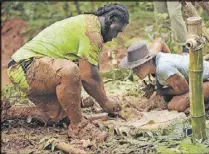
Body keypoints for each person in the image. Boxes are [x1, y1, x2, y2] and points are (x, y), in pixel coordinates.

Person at [4, 4, 129, 141]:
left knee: (59, 116)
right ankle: (79, 127)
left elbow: (93, 72)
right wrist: (105, 102)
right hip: (24, 66)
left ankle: (9, 112)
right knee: (70, 71)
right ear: (110, 19)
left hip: (27, 69)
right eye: (117, 30)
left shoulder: (89, 24)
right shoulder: (92, 33)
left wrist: (100, 99)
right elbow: (89, 77)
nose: (115, 36)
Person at [120, 38, 209, 112]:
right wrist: (170, 57)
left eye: (137, 67)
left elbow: (184, 89)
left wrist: (161, 91)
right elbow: (159, 40)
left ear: (147, 61)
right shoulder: (154, 52)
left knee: (174, 106)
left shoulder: (163, 68)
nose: (135, 71)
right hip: (194, 77)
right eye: (133, 68)